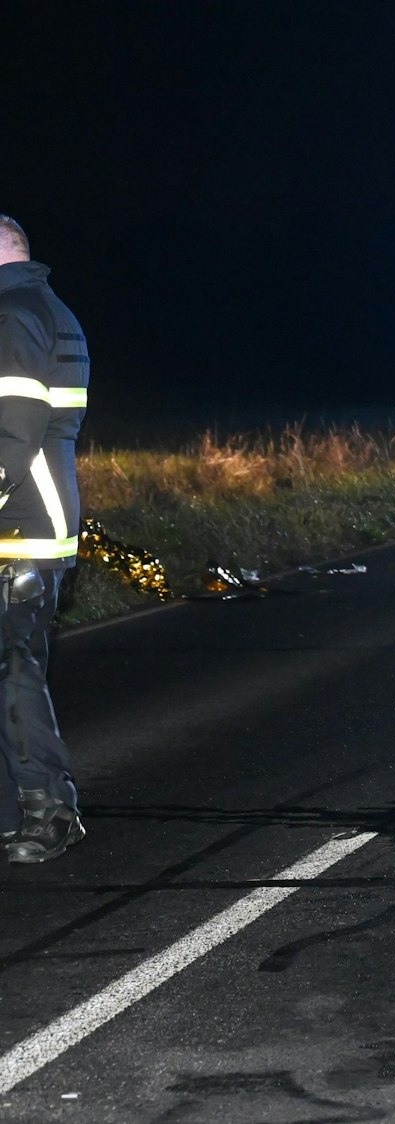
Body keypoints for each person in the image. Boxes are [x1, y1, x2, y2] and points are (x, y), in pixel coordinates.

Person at [0, 214, 88, 862]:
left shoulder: (14, 312)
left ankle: (48, 812)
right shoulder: (46, 307)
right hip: (34, 521)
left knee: (14, 675)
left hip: (20, 527)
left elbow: (13, 427)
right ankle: (30, 807)